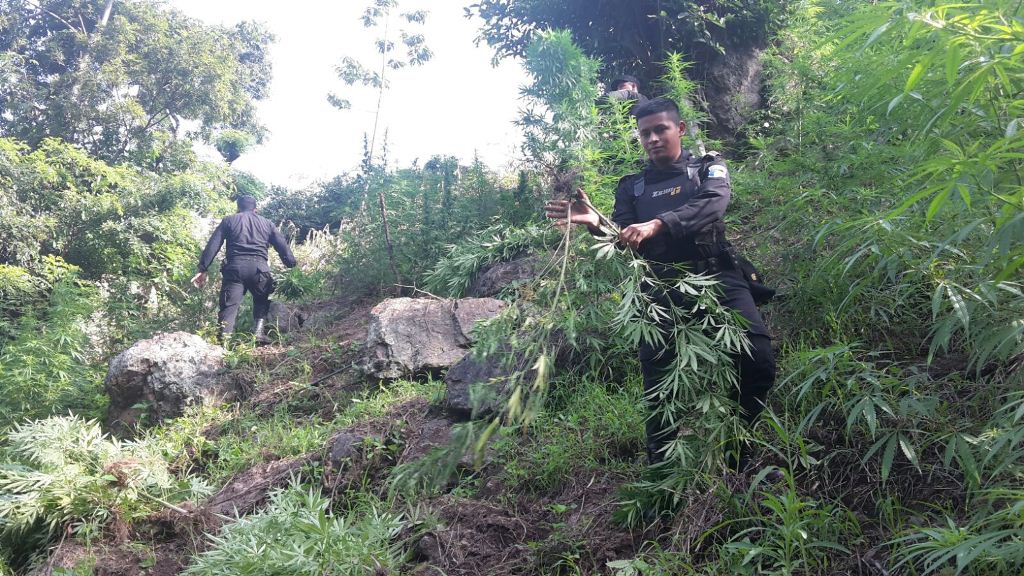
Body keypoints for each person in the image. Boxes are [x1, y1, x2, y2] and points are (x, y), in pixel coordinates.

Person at [544, 97, 776, 471]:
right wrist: (596, 223)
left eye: (660, 129)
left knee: (757, 359)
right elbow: (624, 243)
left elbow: (713, 205)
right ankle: (662, 474)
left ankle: (739, 452)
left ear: (680, 129)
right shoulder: (632, 188)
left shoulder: (708, 169)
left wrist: (658, 224)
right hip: (659, 288)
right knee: (660, 385)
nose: (652, 138)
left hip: (717, 275)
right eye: (644, 133)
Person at [191, 195, 297, 346]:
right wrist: (291, 264)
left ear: (238, 208)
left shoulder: (229, 220)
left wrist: (203, 268)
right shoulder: (267, 223)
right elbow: (282, 246)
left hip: (235, 270)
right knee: (261, 299)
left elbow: (213, 244)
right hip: (259, 269)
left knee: (229, 306)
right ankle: (258, 333)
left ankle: (223, 343)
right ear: (255, 209)